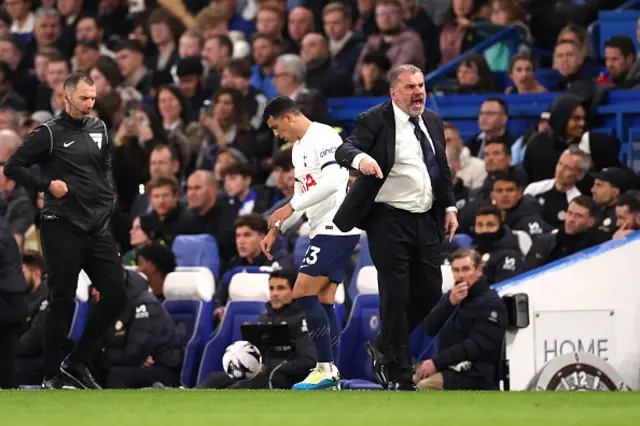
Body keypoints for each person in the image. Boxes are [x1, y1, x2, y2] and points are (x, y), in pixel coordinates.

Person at [333, 64, 458, 390]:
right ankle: (400, 374)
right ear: (393, 93)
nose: (418, 92)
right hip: (388, 218)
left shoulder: (431, 121)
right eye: (410, 87)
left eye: (421, 85)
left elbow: (441, 168)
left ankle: (385, 343)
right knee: (396, 293)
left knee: (431, 288)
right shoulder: (375, 119)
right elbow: (344, 148)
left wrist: (449, 205)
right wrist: (362, 160)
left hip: (425, 217)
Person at [3, 72, 127, 389]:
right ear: (66, 97)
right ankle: (50, 374)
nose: (89, 104)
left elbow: (105, 166)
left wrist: (106, 198)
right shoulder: (49, 133)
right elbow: (13, 166)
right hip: (62, 226)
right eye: (84, 98)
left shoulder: (99, 129)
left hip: (96, 227)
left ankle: (76, 361)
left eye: (93, 98)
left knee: (115, 293)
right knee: (63, 299)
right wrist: (47, 185)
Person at [260, 96, 360, 390]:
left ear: (289, 117)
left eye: (277, 128)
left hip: (337, 224)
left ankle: (325, 369)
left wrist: (288, 209)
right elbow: (301, 199)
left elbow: (332, 181)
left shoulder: (324, 136)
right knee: (324, 299)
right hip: (322, 227)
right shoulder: (299, 149)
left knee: (303, 292)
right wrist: (277, 230)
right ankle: (331, 375)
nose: (277, 135)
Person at [197, 269, 316, 390]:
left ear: (294, 291)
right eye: (271, 288)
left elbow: (309, 361)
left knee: (246, 384)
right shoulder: (264, 318)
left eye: (281, 288)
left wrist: (268, 367)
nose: (274, 293)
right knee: (215, 378)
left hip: (286, 377)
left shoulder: (304, 319)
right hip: (260, 372)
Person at [414, 249, 507, 390]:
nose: (461, 275)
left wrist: (437, 362)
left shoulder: (492, 303)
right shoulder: (453, 296)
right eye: (456, 270)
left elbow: (477, 345)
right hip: (449, 368)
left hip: (475, 374)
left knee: (425, 386)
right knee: (406, 382)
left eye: (466, 269)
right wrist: (449, 303)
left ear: (479, 270)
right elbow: (429, 327)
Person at [0, 213, 29, 388]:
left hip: (6, 303)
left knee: (7, 365)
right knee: (7, 363)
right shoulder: (4, 226)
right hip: (13, 302)